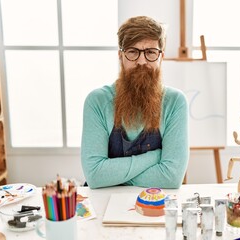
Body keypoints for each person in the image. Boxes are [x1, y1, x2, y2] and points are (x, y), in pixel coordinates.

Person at [81, 16, 189, 189]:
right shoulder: (97, 101)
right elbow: (94, 175)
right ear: (120, 55)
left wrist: (112, 177)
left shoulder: (175, 102)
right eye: (133, 51)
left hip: (154, 207)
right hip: (103, 204)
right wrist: (155, 157)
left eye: (150, 52)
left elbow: (172, 177)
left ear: (161, 56)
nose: (142, 61)